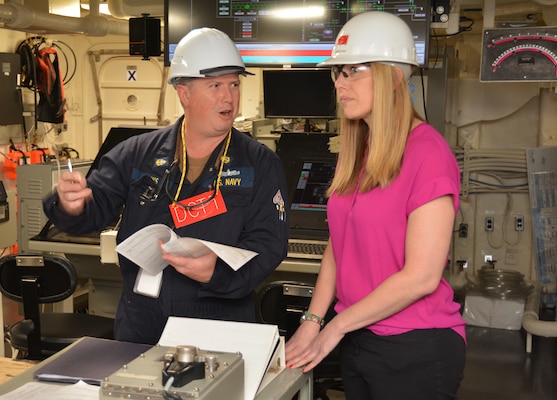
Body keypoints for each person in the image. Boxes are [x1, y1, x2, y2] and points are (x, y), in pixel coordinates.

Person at [43, 28, 289, 345]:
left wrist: (220, 273)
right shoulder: (137, 153)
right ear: (184, 93)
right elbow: (94, 209)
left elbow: (270, 243)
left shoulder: (261, 162)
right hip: (143, 321)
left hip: (219, 322)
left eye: (234, 84)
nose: (228, 97)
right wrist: (72, 205)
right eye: (215, 85)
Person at [285, 12, 466, 400]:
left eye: (353, 72)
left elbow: (421, 277)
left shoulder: (428, 154)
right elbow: (340, 242)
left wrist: (335, 327)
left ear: (393, 78)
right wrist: (313, 321)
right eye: (337, 73)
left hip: (415, 346)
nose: (340, 84)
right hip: (360, 336)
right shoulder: (362, 151)